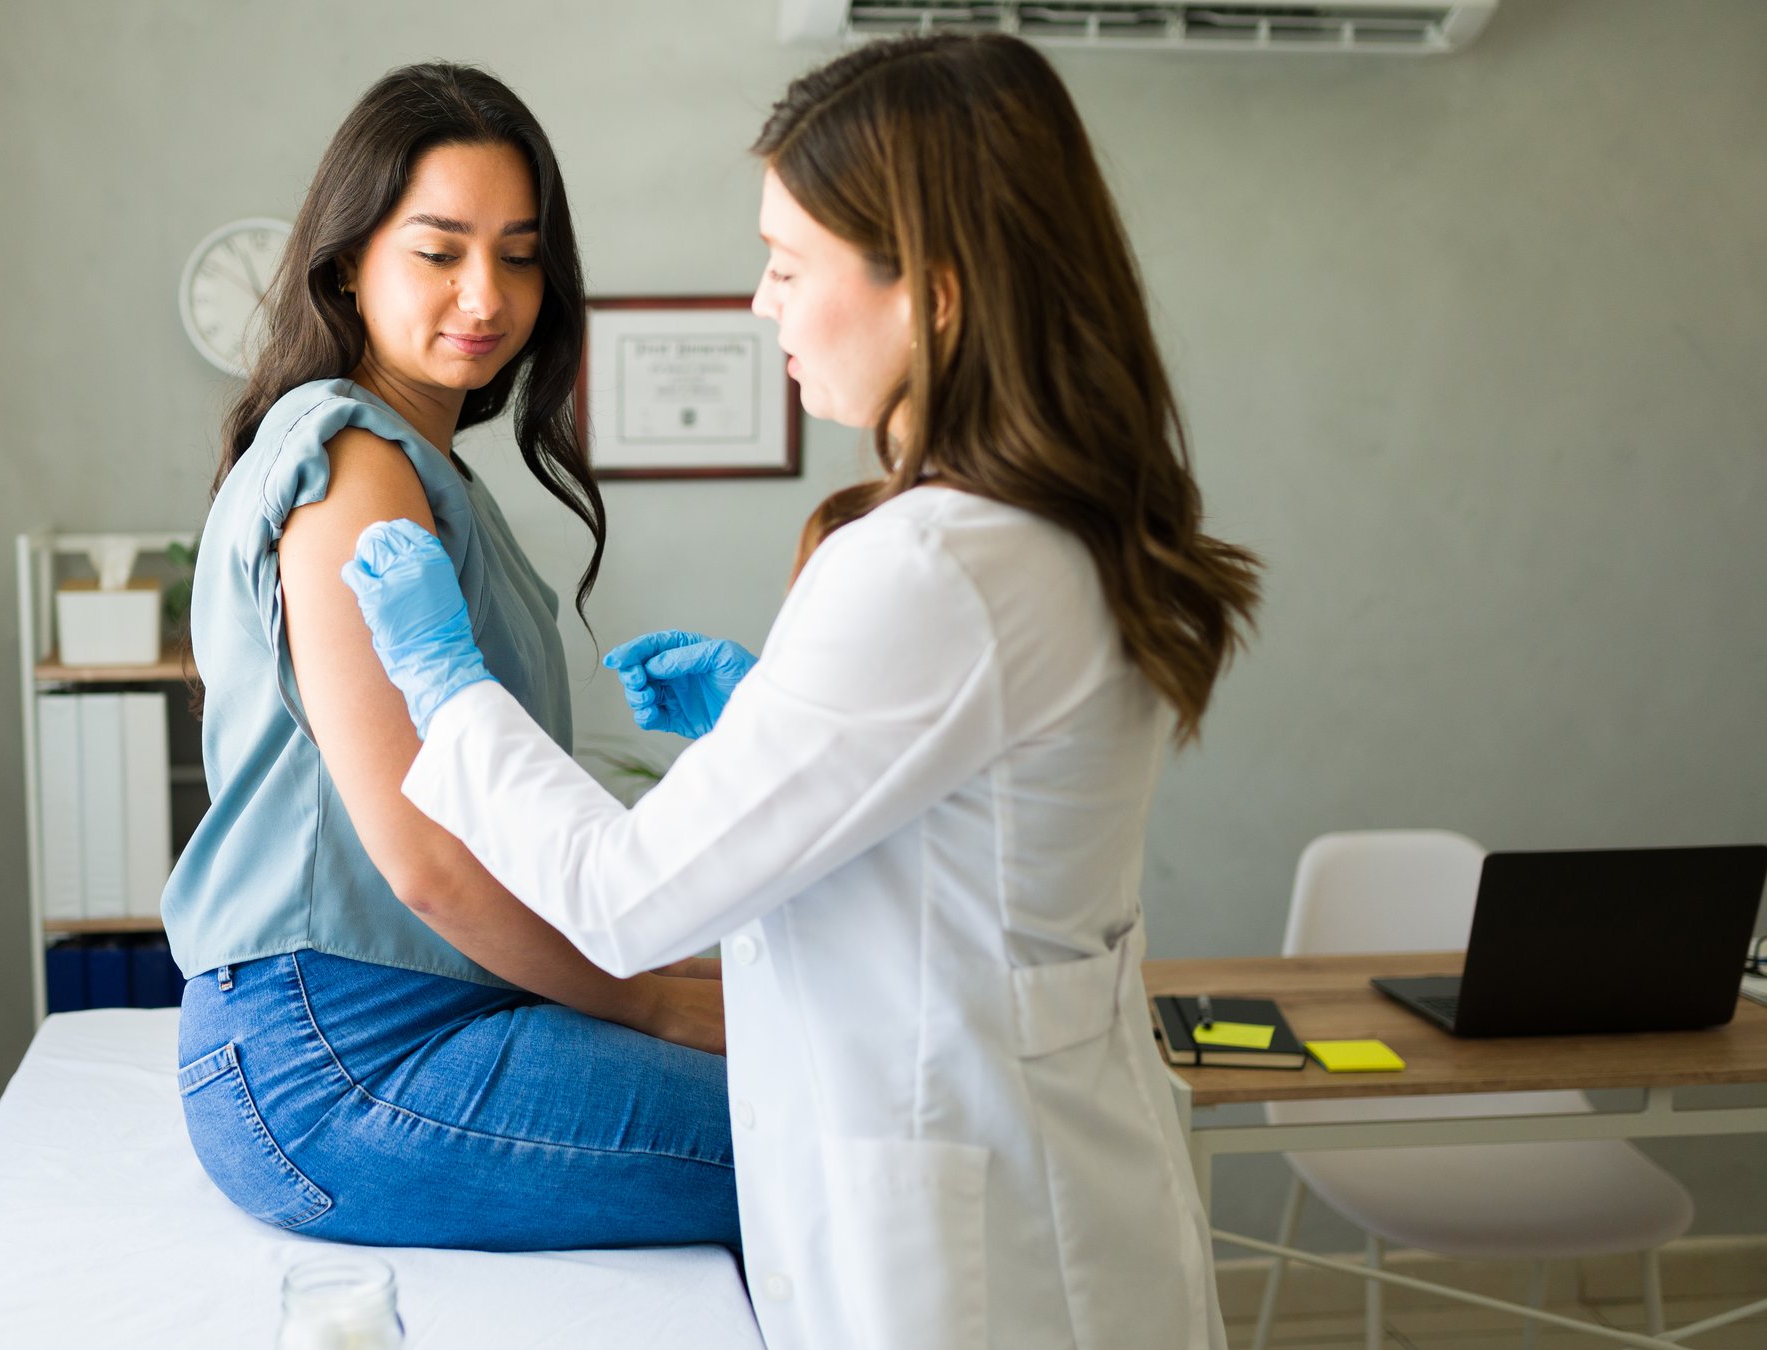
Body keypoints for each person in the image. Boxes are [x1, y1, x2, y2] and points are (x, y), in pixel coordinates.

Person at [341, 34, 1261, 1350]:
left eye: (787, 264)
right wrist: (769, 729)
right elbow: (964, 825)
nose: (762, 304)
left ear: (932, 295)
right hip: (1041, 1198)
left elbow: (627, 895)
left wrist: (447, 685)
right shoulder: (1046, 528)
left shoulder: (931, 563)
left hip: (974, 1259)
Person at [160, 63, 739, 1251]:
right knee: (830, 1137)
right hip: (340, 1056)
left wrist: (678, 971)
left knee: (811, 1068)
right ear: (347, 263)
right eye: (440, 251)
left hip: (424, 1012)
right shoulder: (358, 470)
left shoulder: (419, 463)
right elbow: (424, 862)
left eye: (520, 254)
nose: (487, 294)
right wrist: (651, 1005)